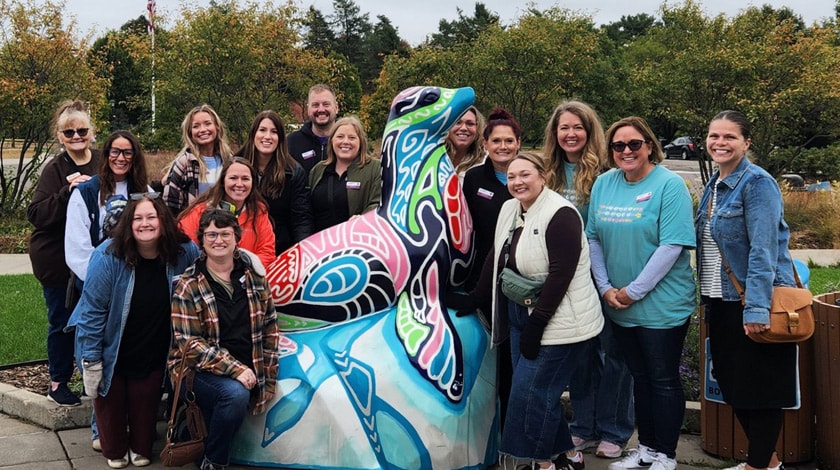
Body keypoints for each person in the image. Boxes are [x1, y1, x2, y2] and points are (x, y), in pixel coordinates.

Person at [454, 152, 603, 470]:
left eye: (525, 175)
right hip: (520, 313)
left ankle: (539, 463)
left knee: (529, 394)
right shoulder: (510, 208)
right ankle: (567, 456)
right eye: (511, 176)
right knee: (541, 393)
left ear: (543, 176)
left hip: (560, 320)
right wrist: (476, 297)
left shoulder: (561, 214)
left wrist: (538, 324)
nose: (518, 182)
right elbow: (497, 254)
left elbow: (561, 275)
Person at [586, 116, 696, 470]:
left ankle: (667, 454)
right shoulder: (605, 184)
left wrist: (633, 291)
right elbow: (593, 238)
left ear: (650, 146)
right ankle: (646, 449)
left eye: (635, 144)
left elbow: (673, 245)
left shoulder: (669, 185)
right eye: (619, 146)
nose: (627, 151)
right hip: (618, 303)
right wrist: (604, 287)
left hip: (661, 306)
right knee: (640, 379)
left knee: (663, 380)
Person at [67, 194, 201, 468]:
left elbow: (205, 277)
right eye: (137, 218)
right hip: (109, 349)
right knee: (114, 451)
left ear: (163, 220)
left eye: (151, 217)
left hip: (152, 350)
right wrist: (91, 360)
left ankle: (138, 441)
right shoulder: (107, 255)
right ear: (128, 223)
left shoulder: (183, 252)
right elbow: (92, 312)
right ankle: (112, 441)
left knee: (143, 448)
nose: (145, 224)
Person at [696, 110, 795, 470]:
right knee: (733, 383)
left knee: (760, 391)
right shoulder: (713, 186)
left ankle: (758, 466)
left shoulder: (757, 184)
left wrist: (756, 309)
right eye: (714, 136)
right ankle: (768, 463)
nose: (720, 143)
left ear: (746, 142)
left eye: (729, 137)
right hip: (719, 300)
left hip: (752, 302)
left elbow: (763, 250)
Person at [543, 101, 634, 459]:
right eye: (564, 127)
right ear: (555, 133)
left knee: (614, 355)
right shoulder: (546, 171)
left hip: (604, 275)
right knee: (579, 356)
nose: (570, 134)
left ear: (590, 131)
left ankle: (615, 429)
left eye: (577, 127)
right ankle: (583, 425)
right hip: (566, 280)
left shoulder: (607, 173)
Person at [169, 209, 280, 470]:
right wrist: (236, 369)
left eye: (225, 234)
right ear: (202, 240)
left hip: (246, 367)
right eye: (211, 234)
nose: (218, 240)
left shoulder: (255, 280)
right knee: (233, 395)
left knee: (228, 401)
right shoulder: (188, 285)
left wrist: (268, 373)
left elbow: (270, 328)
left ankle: (197, 440)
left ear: (236, 238)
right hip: (196, 371)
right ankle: (214, 463)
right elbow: (190, 344)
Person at [28, 99, 101, 407]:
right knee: (62, 320)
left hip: (99, 259)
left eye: (81, 130)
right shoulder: (55, 170)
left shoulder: (103, 161)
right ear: (59, 136)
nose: (76, 137)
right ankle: (58, 381)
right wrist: (66, 193)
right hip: (58, 261)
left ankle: (94, 380)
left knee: (99, 322)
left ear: (92, 132)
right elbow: (36, 214)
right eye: (68, 132)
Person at [65, 130, 151, 287]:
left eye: (127, 153)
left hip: (137, 278)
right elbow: (77, 250)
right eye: (115, 152)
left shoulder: (146, 192)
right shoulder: (86, 192)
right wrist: (100, 279)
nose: (120, 158)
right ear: (106, 154)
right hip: (97, 279)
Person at [236, 110, 313, 253]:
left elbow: (300, 218)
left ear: (281, 138)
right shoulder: (235, 165)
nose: (267, 136)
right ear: (253, 134)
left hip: (279, 250)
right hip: (239, 248)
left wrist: (303, 252)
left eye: (274, 132)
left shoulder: (293, 172)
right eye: (262, 130)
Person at [178, 157, 276, 267]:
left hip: (248, 278)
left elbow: (267, 254)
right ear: (222, 181)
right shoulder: (199, 212)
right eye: (233, 178)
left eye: (245, 179)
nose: (239, 184)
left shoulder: (259, 212)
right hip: (207, 279)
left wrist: (241, 270)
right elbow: (186, 252)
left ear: (253, 183)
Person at [462, 107, 521, 291]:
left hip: (521, 270)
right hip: (481, 269)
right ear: (485, 144)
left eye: (509, 141)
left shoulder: (531, 177)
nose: (503, 147)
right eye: (496, 141)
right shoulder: (473, 178)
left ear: (518, 143)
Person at [308, 116, 381, 232]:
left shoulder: (375, 168)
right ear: (332, 140)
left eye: (352, 138)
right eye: (340, 137)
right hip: (321, 244)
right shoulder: (318, 170)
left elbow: (379, 203)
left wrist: (363, 219)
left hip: (357, 241)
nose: (345, 142)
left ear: (361, 142)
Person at [162, 104, 234, 215]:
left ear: (217, 127)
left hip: (224, 227)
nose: (203, 130)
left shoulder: (228, 161)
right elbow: (170, 206)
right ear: (190, 133)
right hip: (192, 227)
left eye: (207, 124)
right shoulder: (184, 163)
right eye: (196, 126)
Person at [288, 84, 339, 175]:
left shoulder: (350, 142)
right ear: (308, 109)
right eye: (315, 105)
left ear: (336, 107)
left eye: (326, 104)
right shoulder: (291, 142)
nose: (321, 109)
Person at [445, 105, 485, 178]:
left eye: (470, 124)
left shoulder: (485, 162)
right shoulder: (435, 156)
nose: (463, 128)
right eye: (458, 122)